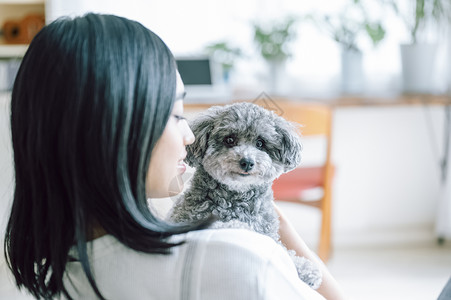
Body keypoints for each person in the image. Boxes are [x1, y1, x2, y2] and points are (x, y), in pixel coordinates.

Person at [4, 13, 345, 300]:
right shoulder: (241, 258)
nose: (191, 136)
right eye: (177, 114)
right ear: (118, 128)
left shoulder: (58, 273)